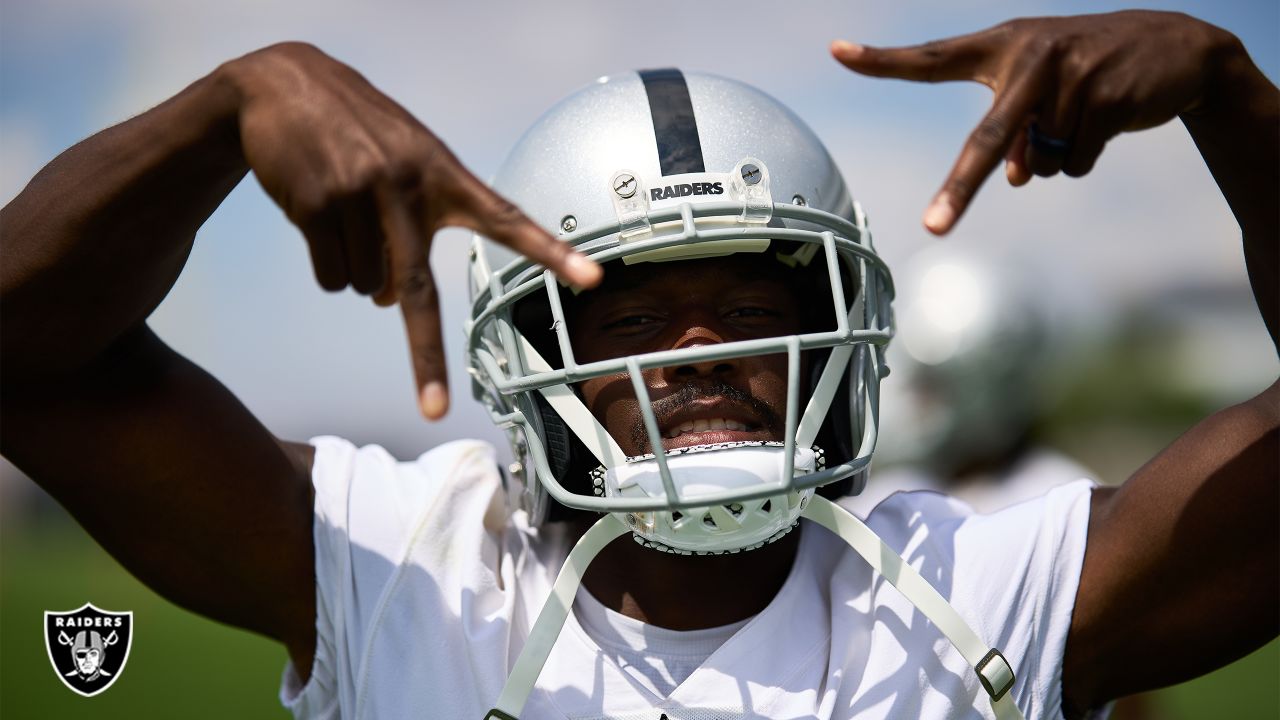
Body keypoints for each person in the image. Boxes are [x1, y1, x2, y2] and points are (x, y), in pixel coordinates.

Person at [0, 9, 1275, 720]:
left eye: (744, 299)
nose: (703, 346)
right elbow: (26, 353)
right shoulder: (403, 572)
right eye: (625, 315)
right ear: (531, 351)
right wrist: (223, 109)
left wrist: (1236, 98)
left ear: (843, 322)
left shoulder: (977, 595)